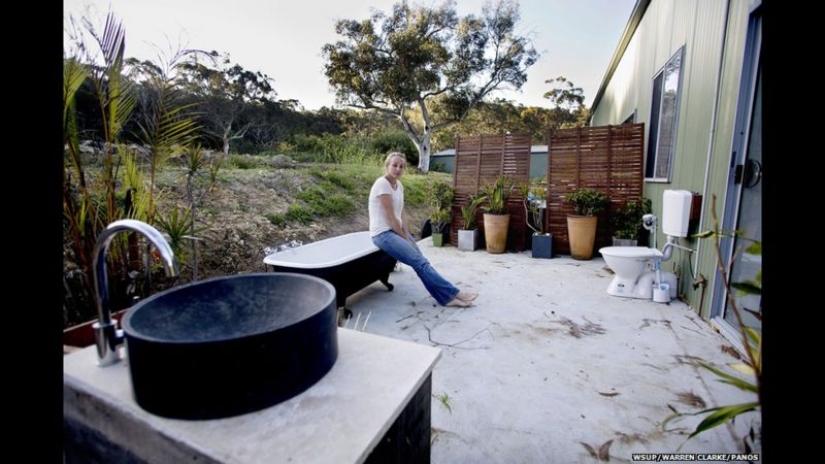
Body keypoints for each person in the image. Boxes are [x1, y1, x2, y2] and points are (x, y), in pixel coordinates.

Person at [369, 152, 478, 308]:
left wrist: (406, 233)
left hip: (395, 231)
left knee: (421, 261)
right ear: (387, 166)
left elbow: (401, 213)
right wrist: (404, 238)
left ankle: (447, 296)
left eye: (401, 166)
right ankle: (452, 295)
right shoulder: (382, 184)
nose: (398, 169)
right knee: (419, 262)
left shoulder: (398, 185)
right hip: (382, 233)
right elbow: (391, 219)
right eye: (394, 165)